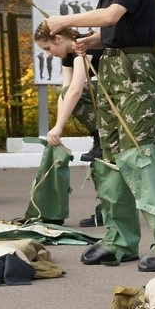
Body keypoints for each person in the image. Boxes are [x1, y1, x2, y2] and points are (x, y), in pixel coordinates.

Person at [46, 0, 155, 272]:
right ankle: (121, 239)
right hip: (112, 73)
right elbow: (112, 31)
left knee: (138, 154)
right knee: (111, 158)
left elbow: (112, 17)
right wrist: (90, 41)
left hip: (134, 73)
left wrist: (66, 21)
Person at [34, 23, 104, 227]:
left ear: (58, 39)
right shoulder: (67, 54)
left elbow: (75, 90)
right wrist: (57, 126)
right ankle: (107, 210)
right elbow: (65, 91)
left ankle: (101, 134)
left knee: (77, 92)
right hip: (102, 103)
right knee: (103, 163)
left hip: (118, 96)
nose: (48, 54)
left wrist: (58, 128)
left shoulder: (84, 46)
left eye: (47, 48)